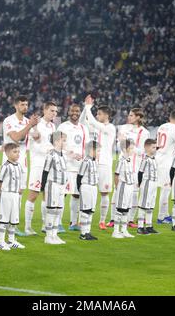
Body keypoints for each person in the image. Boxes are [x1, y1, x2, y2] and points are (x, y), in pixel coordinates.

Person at [2, 96, 39, 236]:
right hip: (9, 163)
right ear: (16, 105)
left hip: (22, 163)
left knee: (18, 194)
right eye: (23, 104)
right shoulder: (9, 120)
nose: (25, 107)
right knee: (6, 194)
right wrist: (29, 125)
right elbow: (16, 137)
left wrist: (35, 127)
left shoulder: (26, 121)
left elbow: (37, 137)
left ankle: (12, 225)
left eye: (27, 104)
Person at [79, 95, 116, 230]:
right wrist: (85, 107)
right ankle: (81, 219)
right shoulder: (94, 127)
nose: (96, 115)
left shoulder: (110, 127)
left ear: (106, 115)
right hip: (92, 164)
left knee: (104, 193)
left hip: (104, 165)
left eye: (99, 113)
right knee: (88, 191)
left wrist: (89, 107)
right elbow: (82, 121)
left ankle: (102, 220)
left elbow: (94, 123)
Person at [109, 108, 149, 228]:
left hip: (135, 166)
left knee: (133, 193)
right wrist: (123, 144)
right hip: (122, 164)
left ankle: (130, 219)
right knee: (117, 191)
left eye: (131, 115)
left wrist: (129, 146)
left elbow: (143, 151)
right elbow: (117, 144)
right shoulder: (123, 128)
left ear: (138, 117)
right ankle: (113, 219)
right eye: (129, 114)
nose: (129, 117)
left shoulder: (144, 132)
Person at [24, 102, 57, 235]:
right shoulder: (37, 124)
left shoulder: (53, 126)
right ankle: (27, 227)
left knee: (47, 195)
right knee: (33, 195)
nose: (54, 113)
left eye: (55, 111)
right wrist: (49, 149)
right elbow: (35, 144)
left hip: (50, 164)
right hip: (38, 164)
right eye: (51, 111)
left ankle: (44, 224)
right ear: (44, 110)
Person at [57, 103, 89, 231]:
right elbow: (56, 143)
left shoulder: (83, 128)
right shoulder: (62, 126)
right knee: (62, 194)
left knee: (76, 195)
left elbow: (86, 146)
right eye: (72, 111)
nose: (75, 113)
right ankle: (58, 223)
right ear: (68, 112)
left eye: (77, 111)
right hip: (66, 166)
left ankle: (73, 223)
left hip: (80, 167)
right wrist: (70, 154)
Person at [0, 143, 25, 250]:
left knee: (14, 219)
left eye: (18, 152)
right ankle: (1, 242)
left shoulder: (19, 166)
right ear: (7, 153)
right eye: (14, 152)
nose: (17, 154)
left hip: (15, 196)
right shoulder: (5, 166)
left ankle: (11, 241)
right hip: (6, 194)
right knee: (3, 219)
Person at [155, 111, 175, 225]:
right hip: (167, 162)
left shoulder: (161, 127)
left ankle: (165, 214)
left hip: (157, 158)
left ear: (169, 117)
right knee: (165, 190)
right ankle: (161, 217)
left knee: (160, 188)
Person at [40, 131, 68, 245]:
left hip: (62, 186)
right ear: (57, 141)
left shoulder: (63, 155)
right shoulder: (51, 155)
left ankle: (54, 235)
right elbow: (45, 172)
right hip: (53, 185)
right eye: (64, 140)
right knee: (51, 210)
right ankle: (48, 236)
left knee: (58, 210)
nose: (65, 142)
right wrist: (43, 188)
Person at [112, 138, 136, 239]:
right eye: (131, 148)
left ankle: (124, 230)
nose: (133, 150)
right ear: (124, 149)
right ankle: (116, 231)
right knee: (120, 208)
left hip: (130, 187)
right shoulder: (121, 161)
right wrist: (118, 188)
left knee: (126, 209)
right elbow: (116, 175)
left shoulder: (129, 160)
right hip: (123, 186)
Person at [77, 141, 100, 240]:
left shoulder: (95, 161)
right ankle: (83, 233)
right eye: (98, 151)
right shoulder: (85, 161)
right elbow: (79, 176)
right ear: (92, 150)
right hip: (86, 187)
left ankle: (88, 231)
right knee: (85, 210)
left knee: (91, 211)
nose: (99, 153)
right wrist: (80, 189)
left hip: (94, 187)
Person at [137, 139, 159, 235]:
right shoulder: (145, 159)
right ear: (146, 147)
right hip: (147, 183)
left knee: (150, 205)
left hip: (154, 184)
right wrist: (141, 183)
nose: (155, 149)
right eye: (153, 147)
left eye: (155, 147)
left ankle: (149, 226)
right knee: (143, 205)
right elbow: (140, 172)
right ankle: (140, 227)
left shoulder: (154, 159)